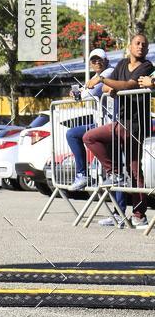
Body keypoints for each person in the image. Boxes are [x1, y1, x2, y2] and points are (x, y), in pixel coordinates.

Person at [83, 33, 154, 228]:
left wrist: (102, 81)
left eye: (144, 45)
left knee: (134, 168)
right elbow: (109, 90)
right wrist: (109, 86)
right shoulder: (122, 64)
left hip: (136, 124)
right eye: (137, 43)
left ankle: (139, 215)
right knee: (90, 137)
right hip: (120, 122)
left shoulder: (147, 66)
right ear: (129, 47)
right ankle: (115, 173)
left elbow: (128, 85)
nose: (140, 47)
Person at [66, 49, 115, 191]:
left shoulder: (109, 72)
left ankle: (119, 212)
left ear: (106, 61)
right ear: (90, 64)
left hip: (112, 125)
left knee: (115, 170)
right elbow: (85, 91)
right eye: (94, 61)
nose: (97, 62)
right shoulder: (95, 76)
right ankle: (82, 174)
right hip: (101, 124)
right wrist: (77, 93)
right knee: (72, 134)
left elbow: (94, 91)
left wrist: (81, 94)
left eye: (100, 59)